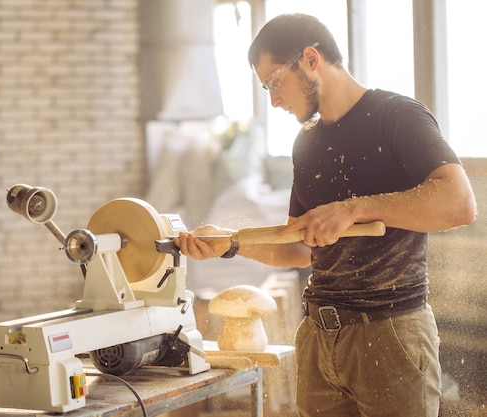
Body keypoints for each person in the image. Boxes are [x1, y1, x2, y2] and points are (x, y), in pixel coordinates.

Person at [175, 13, 476, 417]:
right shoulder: (307, 143)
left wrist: (353, 207)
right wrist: (230, 243)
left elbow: (459, 203)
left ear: (311, 59)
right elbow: (300, 249)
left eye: (274, 82)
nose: (273, 100)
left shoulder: (397, 115)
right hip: (318, 337)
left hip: (391, 332)